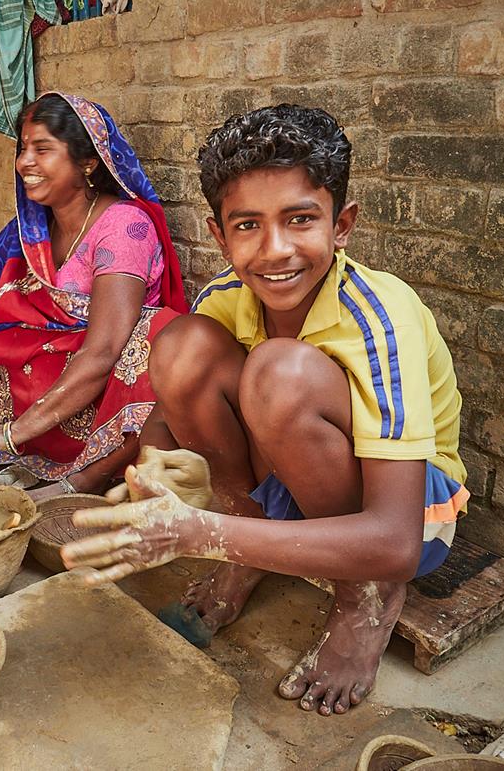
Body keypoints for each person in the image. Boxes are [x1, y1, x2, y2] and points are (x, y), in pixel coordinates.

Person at [60, 105, 469, 718]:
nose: (275, 250)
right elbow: (170, 417)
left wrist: (203, 535)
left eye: (301, 219)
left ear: (342, 225)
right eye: (247, 225)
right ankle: (245, 543)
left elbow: (396, 540)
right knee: (181, 344)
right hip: (293, 484)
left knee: (282, 372)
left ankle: (364, 601)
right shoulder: (225, 299)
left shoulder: (382, 314)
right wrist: (152, 473)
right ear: (219, 235)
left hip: (411, 514)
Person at [0, 92, 188, 499]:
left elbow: (102, 353)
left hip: (94, 387)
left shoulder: (124, 227)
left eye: (42, 149)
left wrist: (13, 434)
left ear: (87, 162)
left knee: (155, 345)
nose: (24, 162)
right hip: (38, 376)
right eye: (23, 148)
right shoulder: (31, 227)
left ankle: (81, 477)